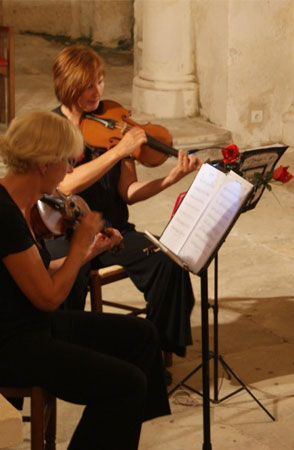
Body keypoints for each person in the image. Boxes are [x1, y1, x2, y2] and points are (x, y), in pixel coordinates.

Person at [0, 111, 170, 450]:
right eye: (67, 161)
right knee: (127, 385)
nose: (70, 170)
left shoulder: (17, 205)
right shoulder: (5, 215)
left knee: (144, 337)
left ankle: (118, 435)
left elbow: (39, 274)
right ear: (44, 164)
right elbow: (48, 297)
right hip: (12, 345)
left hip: (33, 326)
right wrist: (78, 247)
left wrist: (90, 250)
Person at [48, 44, 202, 361]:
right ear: (69, 84)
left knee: (167, 263)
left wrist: (169, 179)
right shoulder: (51, 129)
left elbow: (127, 191)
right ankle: (65, 354)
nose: (97, 92)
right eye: (88, 84)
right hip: (66, 233)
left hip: (112, 231)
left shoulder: (113, 121)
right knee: (67, 275)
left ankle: (154, 350)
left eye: (100, 82)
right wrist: (119, 152)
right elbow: (65, 184)